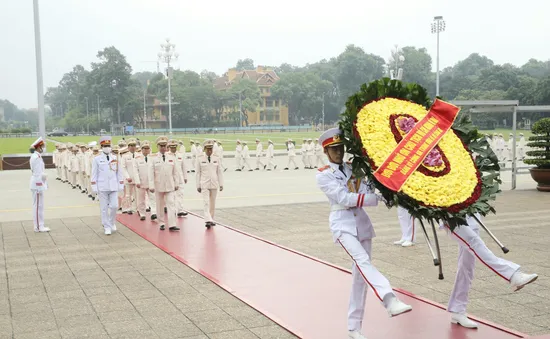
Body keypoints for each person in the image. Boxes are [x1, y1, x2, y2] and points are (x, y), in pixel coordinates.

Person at [316, 128, 412, 339]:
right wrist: (375, 199)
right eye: (334, 150)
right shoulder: (323, 175)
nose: (338, 153)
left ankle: (354, 328)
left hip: (362, 223)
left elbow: (366, 191)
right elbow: (345, 199)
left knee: (360, 277)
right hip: (342, 224)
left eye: (340, 148)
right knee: (362, 261)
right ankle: (389, 298)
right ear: (326, 152)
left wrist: (385, 193)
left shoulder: (354, 168)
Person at [442, 214, 538, 329]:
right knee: (474, 242)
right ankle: (512, 275)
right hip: (450, 213)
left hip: (470, 213)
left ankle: (457, 309)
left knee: (466, 264)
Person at [91, 136, 124, 235]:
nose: (107, 147)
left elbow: (119, 172)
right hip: (102, 187)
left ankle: (112, 222)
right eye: (105, 146)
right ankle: (106, 226)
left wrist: (121, 184)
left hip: (113, 186)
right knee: (104, 208)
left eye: (108, 146)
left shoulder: (115, 158)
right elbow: (94, 174)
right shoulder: (97, 159)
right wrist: (94, 187)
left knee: (114, 206)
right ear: (101, 147)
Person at [148, 136, 181, 231]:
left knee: (171, 204)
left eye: (164, 145)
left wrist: (176, 183)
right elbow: (150, 173)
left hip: (170, 185)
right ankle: (161, 222)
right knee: (159, 205)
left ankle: (172, 224)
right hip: (158, 185)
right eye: (161, 146)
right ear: (157, 146)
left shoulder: (171, 157)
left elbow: (175, 172)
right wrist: (151, 185)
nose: (163, 147)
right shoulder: (153, 158)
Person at [196, 139, 224, 228]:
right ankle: (207, 219)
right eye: (207, 149)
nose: (209, 151)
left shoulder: (216, 157)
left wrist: (221, 184)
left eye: (211, 149)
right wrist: (198, 185)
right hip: (204, 183)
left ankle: (211, 218)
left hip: (214, 183)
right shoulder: (200, 158)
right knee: (206, 202)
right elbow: (197, 173)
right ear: (204, 149)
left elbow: (219, 171)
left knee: (213, 203)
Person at [29, 137, 50, 233]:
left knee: (40, 205)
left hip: (38, 183)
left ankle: (40, 225)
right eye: (43, 146)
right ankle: (38, 226)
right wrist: (40, 186)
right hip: (37, 184)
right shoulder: (36, 157)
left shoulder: (37, 156)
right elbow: (37, 173)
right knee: (38, 206)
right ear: (39, 147)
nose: (44, 148)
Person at [133, 140, 157, 221]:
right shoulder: (137, 159)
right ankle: (142, 213)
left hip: (151, 182)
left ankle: (153, 212)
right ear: (141, 149)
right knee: (141, 199)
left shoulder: (153, 158)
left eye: (148, 148)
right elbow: (135, 171)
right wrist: (137, 181)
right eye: (144, 148)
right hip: (141, 182)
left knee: (153, 198)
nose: (146, 150)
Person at [168, 139, 189, 217]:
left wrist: (185, 176)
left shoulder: (180, 155)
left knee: (180, 194)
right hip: (171, 179)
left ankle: (180, 210)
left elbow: (184, 166)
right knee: (171, 196)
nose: (173, 148)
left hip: (180, 178)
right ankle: (172, 210)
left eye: (174, 147)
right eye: (171, 147)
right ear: (169, 147)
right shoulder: (167, 155)